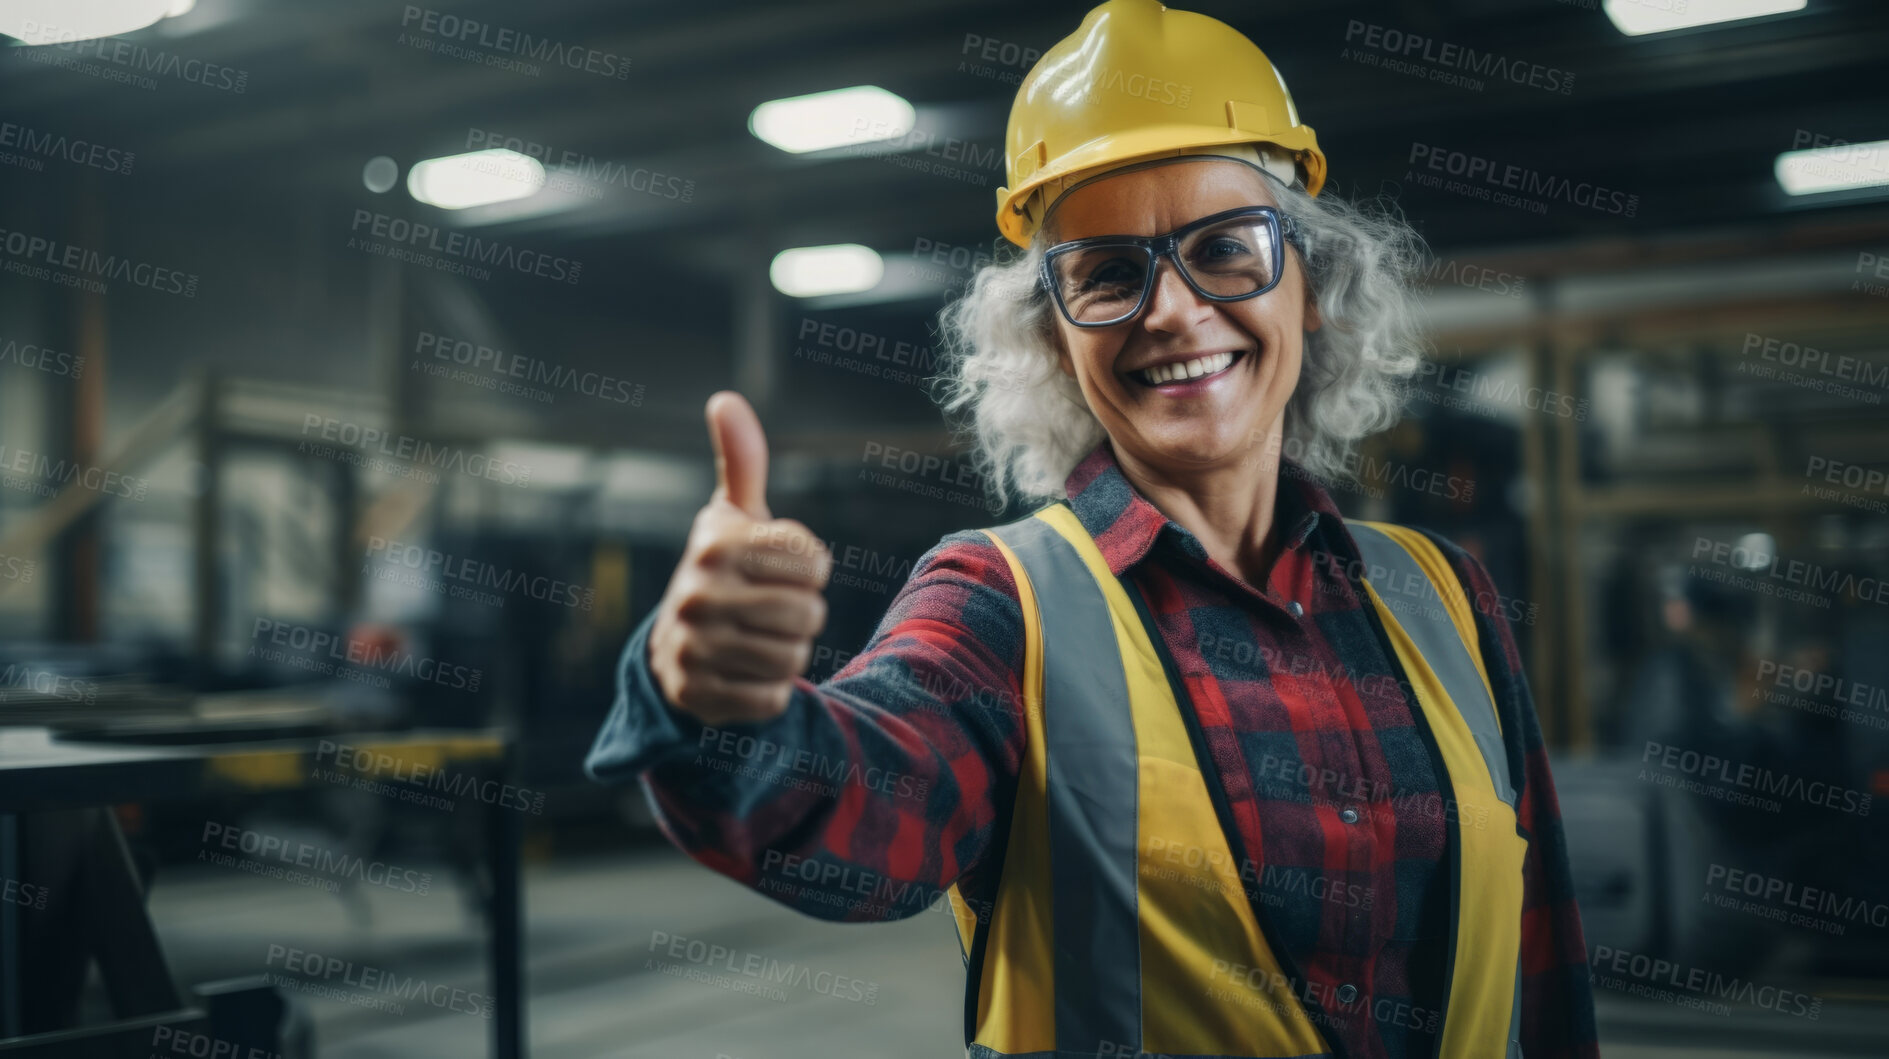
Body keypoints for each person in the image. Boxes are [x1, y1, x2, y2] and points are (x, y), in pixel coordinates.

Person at [587, 1, 1597, 1055]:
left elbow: (1543, 958)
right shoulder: (999, 602)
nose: (1169, 310)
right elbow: (858, 820)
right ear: (1052, 339)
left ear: (1314, 290)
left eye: (1225, 248)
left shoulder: (1446, 599)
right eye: (1107, 274)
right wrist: (714, 703)